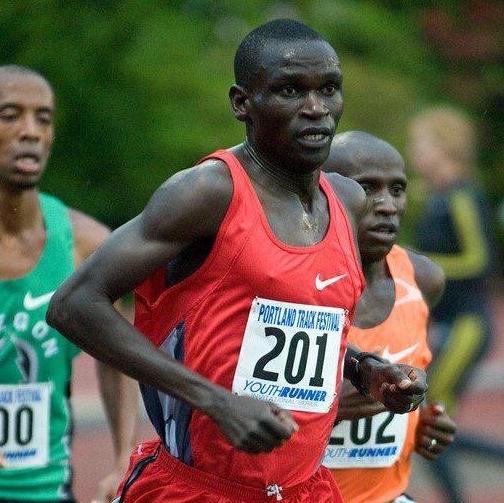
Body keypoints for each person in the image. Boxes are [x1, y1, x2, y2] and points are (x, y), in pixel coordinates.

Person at [47, 20, 427, 503]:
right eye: (290, 90)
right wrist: (216, 402)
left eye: (328, 90)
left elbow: (293, 327)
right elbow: (73, 304)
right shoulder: (208, 192)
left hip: (305, 488)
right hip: (199, 488)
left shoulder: (348, 201)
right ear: (241, 103)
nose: (316, 109)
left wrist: (365, 369)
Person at [0, 65, 138, 503]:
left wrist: (121, 461)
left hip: (46, 489)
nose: (30, 132)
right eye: (9, 115)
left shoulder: (85, 245)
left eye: (43, 119)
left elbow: (117, 355)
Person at [321, 131, 456, 503]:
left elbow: (409, 372)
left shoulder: (424, 279)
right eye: (367, 188)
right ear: (323, 193)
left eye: (397, 190)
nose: (387, 205)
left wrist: (423, 422)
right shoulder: (283, 279)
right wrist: (324, 413)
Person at [409, 106, 502, 502]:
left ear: (443, 148)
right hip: (446, 325)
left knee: (429, 418)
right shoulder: (434, 198)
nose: (415, 153)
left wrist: (421, 264)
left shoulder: (463, 197)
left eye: (421, 145)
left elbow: (479, 260)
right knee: (435, 424)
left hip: (468, 325)